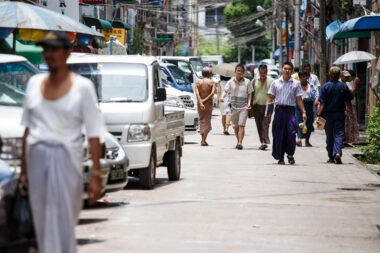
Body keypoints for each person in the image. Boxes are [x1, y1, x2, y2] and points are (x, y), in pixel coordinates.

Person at [19, 31, 105, 253]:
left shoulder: (82, 87)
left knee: (64, 218)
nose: (49, 54)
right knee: (42, 220)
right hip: (37, 158)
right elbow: (28, 129)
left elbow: (95, 133)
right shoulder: (34, 83)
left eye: (54, 49)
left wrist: (96, 175)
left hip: (67, 161)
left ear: (67, 52)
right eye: (46, 49)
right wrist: (24, 171)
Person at [267, 61, 307, 165]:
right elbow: (270, 98)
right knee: (278, 134)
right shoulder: (275, 83)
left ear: (292, 70)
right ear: (282, 69)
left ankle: (290, 154)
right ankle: (280, 157)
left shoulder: (296, 83)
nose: (287, 70)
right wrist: (268, 112)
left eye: (289, 69)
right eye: (285, 68)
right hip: (279, 111)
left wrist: (303, 112)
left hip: (290, 112)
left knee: (291, 134)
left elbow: (299, 99)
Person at [317, 66, 354, 164]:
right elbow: (349, 98)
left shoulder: (325, 86)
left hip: (327, 115)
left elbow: (322, 103)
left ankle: (331, 157)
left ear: (330, 74)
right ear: (339, 75)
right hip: (340, 114)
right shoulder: (343, 86)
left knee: (329, 136)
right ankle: (337, 152)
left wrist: (318, 114)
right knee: (339, 134)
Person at [221, 64, 253, 150]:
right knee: (235, 127)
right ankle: (238, 140)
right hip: (234, 107)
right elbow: (225, 90)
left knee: (241, 125)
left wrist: (249, 103)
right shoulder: (231, 82)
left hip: (244, 107)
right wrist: (222, 97)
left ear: (244, 72)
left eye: (242, 71)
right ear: (235, 72)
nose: (240, 72)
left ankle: (240, 143)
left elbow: (250, 93)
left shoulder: (247, 82)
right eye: (238, 71)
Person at [251, 64, 274, 150]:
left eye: (264, 72)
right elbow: (251, 93)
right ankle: (262, 142)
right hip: (257, 106)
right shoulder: (254, 81)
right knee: (259, 125)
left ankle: (264, 142)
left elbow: (275, 93)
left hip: (268, 106)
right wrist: (250, 105)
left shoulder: (272, 81)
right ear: (258, 72)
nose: (262, 74)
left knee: (265, 124)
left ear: (267, 72)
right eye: (261, 72)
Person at [295, 71, 319, 147]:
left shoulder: (312, 86)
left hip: (309, 105)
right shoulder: (296, 86)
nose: (303, 78)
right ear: (299, 77)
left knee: (309, 123)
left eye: (304, 76)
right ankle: (299, 139)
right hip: (299, 105)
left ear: (307, 77)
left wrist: (316, 99)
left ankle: (307, 140)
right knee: (299, 122)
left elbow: (317, 94)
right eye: (301, 77)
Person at [195, 67, 215, 146]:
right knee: (207, 120)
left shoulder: (198, 82)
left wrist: (200, 102)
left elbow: (197, 93)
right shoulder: (211, 82)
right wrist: (204, 101)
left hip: (200, 103)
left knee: (202, 120)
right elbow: (212, 93)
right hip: (208, 104)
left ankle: (202, 139)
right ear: (210, 74)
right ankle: (203, 140)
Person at [341, 70, 359, 146]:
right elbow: (350, 95)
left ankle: (346, 139)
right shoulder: (343, 84)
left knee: (348, 122)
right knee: (346, 122)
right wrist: (355, 84)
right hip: (345, 106)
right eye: (347, 76)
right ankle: (344, 139)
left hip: (347, 106)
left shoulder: (346, 83)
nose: (348, 78)